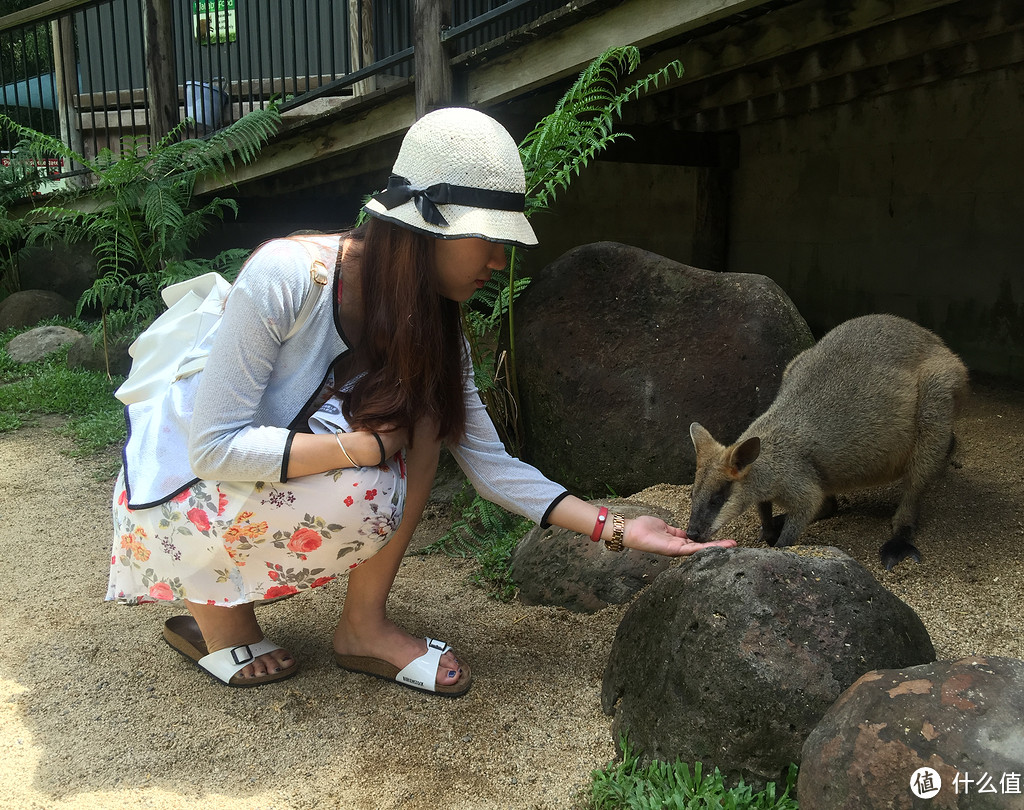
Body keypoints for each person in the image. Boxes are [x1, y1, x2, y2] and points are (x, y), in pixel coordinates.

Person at [107, 107, 736, 693]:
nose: (499, 259)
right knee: (368, 477)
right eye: (485, 239)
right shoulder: (291, 275)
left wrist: (618, 527)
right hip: (179, 485)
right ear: (422, 227)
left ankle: (363, 625)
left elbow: (489, 464)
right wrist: (361, 447)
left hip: (269, 462)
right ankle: (213, 603)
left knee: (427, 422)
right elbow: (213, 445)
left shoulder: (433, 325)